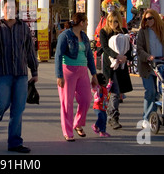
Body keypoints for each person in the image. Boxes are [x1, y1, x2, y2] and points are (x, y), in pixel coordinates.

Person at [0, 0, 38, 153]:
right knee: (1, 104)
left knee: (18, 109)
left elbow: (29, 50)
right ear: (3, 9)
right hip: (3, 74)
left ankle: (15, 142)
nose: (10, 11)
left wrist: (34, 71)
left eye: (13, 8)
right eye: (7, 8)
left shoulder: (24, 28)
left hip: (21, 74)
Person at [55, 12, 98, 141]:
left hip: (83, 71)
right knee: (67, 103)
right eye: (86, 21)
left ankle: (77, 123)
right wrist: (59, 75)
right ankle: (68, 132)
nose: (88, 23)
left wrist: (94, 74)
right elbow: (58, 55)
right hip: (68, 71)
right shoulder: (65, 35)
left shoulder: (84, 36)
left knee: (86, 99)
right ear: (81, 22)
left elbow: (89, 56)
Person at [136, 9, 164, 125]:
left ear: (155, 18)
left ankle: (152, 117)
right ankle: (147, 118)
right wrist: (148, 56)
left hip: (162, 66)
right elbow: (139, 49)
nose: (148, 21)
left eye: (150, 18)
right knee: (150, 91)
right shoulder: (143, 32)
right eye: (146, 19)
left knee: (159, 93)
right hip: (148, 66)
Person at [99, 10, 133, 130]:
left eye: (115, 21)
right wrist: (116, 56)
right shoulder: (104, 32)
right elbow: (105, 47)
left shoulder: (123, 32)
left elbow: (129, 47)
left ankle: (111, 115)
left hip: (121, 66)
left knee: (116, 92)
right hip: (110, 66)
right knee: (114, 91)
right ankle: (113, 117)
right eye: (110, 21)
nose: (112, 24)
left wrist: (126, 57)